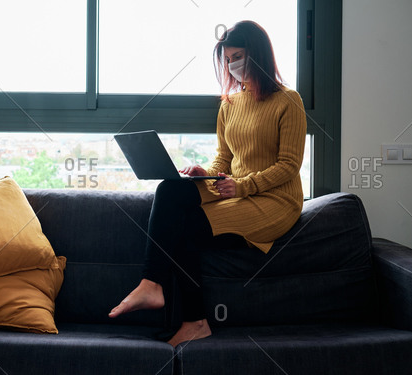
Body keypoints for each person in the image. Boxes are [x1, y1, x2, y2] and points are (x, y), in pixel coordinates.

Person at [108, 20, 307, 347]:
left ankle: (195, 321)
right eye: (227, 60)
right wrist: (207, 173)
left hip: (275, 202)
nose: (232, 66)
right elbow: (224, 160)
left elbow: (288, 166)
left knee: (187, 226)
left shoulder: (288, 101)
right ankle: (151, 284)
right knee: (171, 189)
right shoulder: (229, 104)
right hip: (235, 190)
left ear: (258, 55)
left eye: (238, 57)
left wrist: (242, 187)